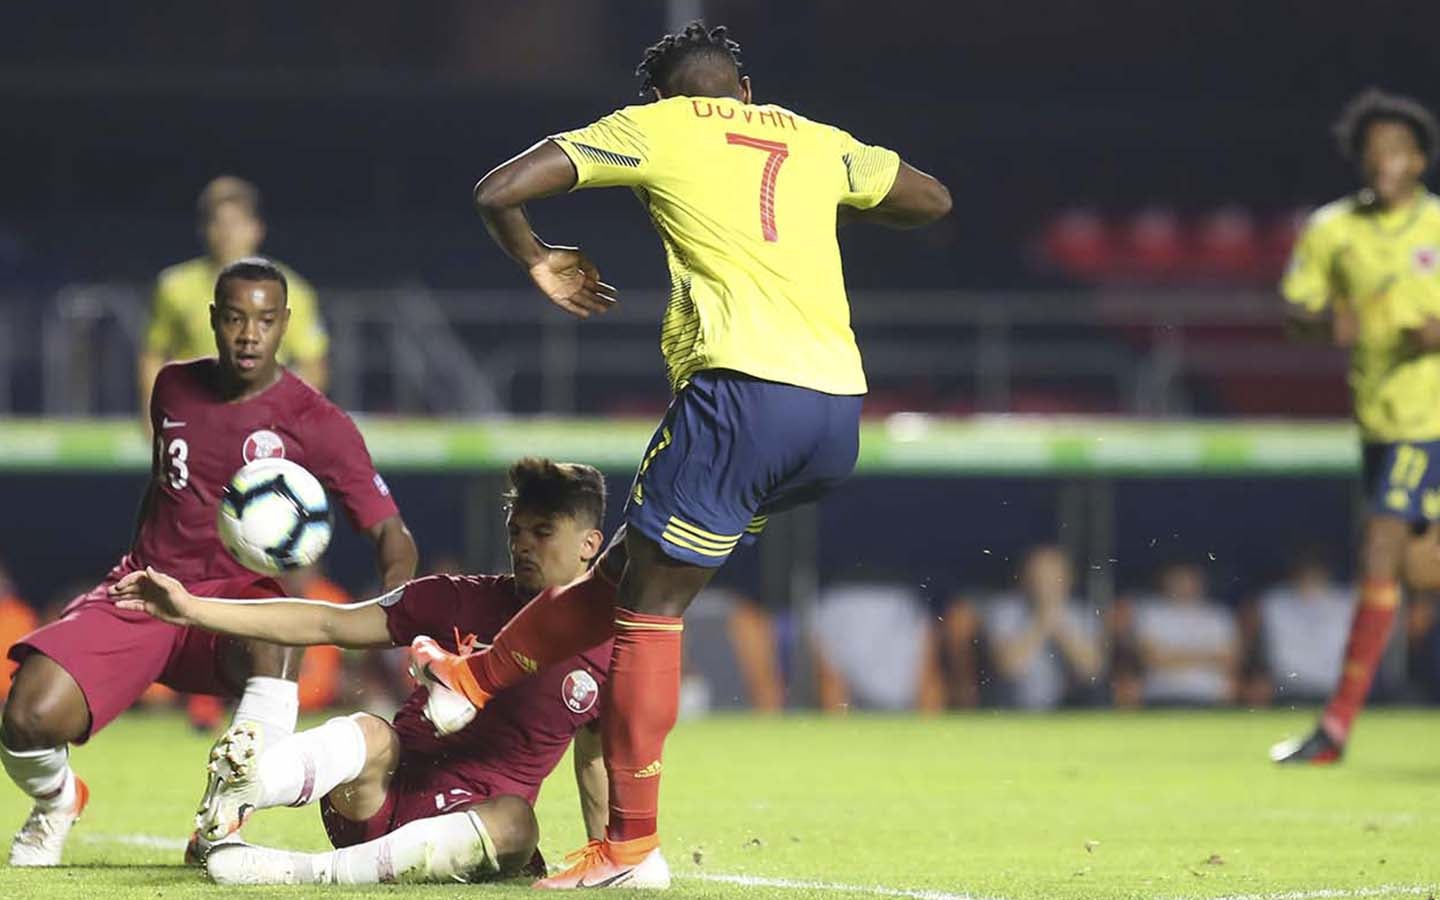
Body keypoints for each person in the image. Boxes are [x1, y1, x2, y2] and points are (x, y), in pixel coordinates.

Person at [412, 20, 950, 889]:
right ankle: (474, 680)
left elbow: (498, 188)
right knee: (631, 571)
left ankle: (628, 848)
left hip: (743, 394)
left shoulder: (657, 126)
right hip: (835, 413)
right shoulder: (812, 137)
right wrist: (838, 189)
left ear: (664, 97)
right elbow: (932, 199)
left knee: (650, 611)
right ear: (742, 90)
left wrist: (541, 261)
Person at [1, 257, 417, 867]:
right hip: (146, 589)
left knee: (281, 632)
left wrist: (399, 608)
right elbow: (165, 489)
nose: (250, 334)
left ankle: (221, 819)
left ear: (285, 326)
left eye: (266, 320)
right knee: (25, 718)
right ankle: (59, 800)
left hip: (236, 610)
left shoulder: (317, 423)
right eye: (237, 319)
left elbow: (390, 531)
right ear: (215, 320)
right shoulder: (173, 388)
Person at [111, 458, 614, 886]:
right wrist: (191, 609)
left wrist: (605, 854)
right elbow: (327, 620)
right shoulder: (459, 597)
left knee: (520, 823)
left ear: (589, 544)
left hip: (476, 828)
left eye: (542, 533)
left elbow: (593, 760)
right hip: (379, 796)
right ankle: (248, 789)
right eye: (516, 531)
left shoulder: (610, 649)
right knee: (370, 730)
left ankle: (293, 870)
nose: (523, 545)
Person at [1273, 89, 1440, 763]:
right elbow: (1296, 315)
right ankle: (1336, 726)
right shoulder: (1332, 230)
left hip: (1428, 419)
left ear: (1420, 159)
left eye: (1396, 152)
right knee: (1416, 570)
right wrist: (1324, 323)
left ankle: (1336, 725)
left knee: (1380, 548)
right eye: (1373, 154)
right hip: (1376, 423)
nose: (1384, 165)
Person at [138, 176, 330, 428]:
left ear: (256, 228)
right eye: (218, 223)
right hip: (193, 423)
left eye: (237, 223)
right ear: (204, 229)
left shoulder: (292, 289)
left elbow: (312, 364)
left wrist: (283, 417)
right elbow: (153, 354)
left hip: (263, 428)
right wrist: (151, 415)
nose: (227, 233)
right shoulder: (174, 286)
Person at [982, 545, 1104, 710]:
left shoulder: (1082, 613)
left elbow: (1093, 670)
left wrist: (1060, 627)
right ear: (1025, 578)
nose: (1044, 584)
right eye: (1039, 577)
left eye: (1053, 577)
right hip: (1015, 705)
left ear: (1068, 579)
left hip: (1068, 706)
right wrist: (1040, 623)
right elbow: (1006, 668)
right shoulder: (1004, 610)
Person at [1127, 562, 1239, 706]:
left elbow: (1231, 660)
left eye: (1189, 579)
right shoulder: (1150, 613)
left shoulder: (1219, 615)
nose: (1185, 584)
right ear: (1166, 581)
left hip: (1210, 696)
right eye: (1179, 579)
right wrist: (1207, 655)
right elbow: (1152, 658)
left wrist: (1174, 655)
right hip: (1162, 695)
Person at [1257, 554, 1355, 703]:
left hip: (1336, 691)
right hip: (1288, 691)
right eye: (1305, 571)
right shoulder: (1275, 602)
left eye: (1314, 571)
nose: (1309, 576)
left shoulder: (1346, 601)